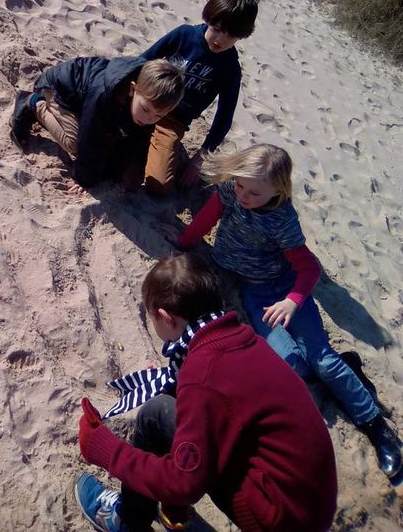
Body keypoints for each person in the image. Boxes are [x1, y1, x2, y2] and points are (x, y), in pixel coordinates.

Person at [165, 143, 401, 478]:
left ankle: (377, 427)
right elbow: (209, 214)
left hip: (285, 291)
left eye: (254, 192)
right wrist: (186, 240)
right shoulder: (233, 190)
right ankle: (350, 367)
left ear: (277, 189)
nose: (243, 194)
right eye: (241, 185)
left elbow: (309, 269)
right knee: (292, 365)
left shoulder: (282, 221)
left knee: (322, 359)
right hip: (255, 293)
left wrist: (292, 300)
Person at [75, 253, 338, 532]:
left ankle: (127, 523)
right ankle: (169, 512)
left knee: (159, 428)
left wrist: (102, 447)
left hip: (279, 519)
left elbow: (184, 483)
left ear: (166, 318)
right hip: (311, 502)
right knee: (160, 410)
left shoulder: (201, 374)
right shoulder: (243, 338)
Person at [141, 0, 258, 196]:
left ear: (242, 35)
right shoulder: (184, 35)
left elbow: (224, 118)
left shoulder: (230, 68)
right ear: (209, 18)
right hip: (148, 101)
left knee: (158, 185)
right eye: (217, 28)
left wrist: (199, 159)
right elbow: (142, 61)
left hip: (172, 123)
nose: (220, 39)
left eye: (231, 34)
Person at [10, 57, 184, 190]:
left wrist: (121, 173)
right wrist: (84, 181)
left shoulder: (148, 101)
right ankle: (33, 104)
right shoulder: (104, 94)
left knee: (115, 149)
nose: (148, 119)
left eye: (158, 116)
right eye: (145, 110)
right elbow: (88, 138)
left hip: (85, 99)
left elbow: (138, 138)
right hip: (59, 90)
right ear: (133, 89)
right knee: (74, 144)